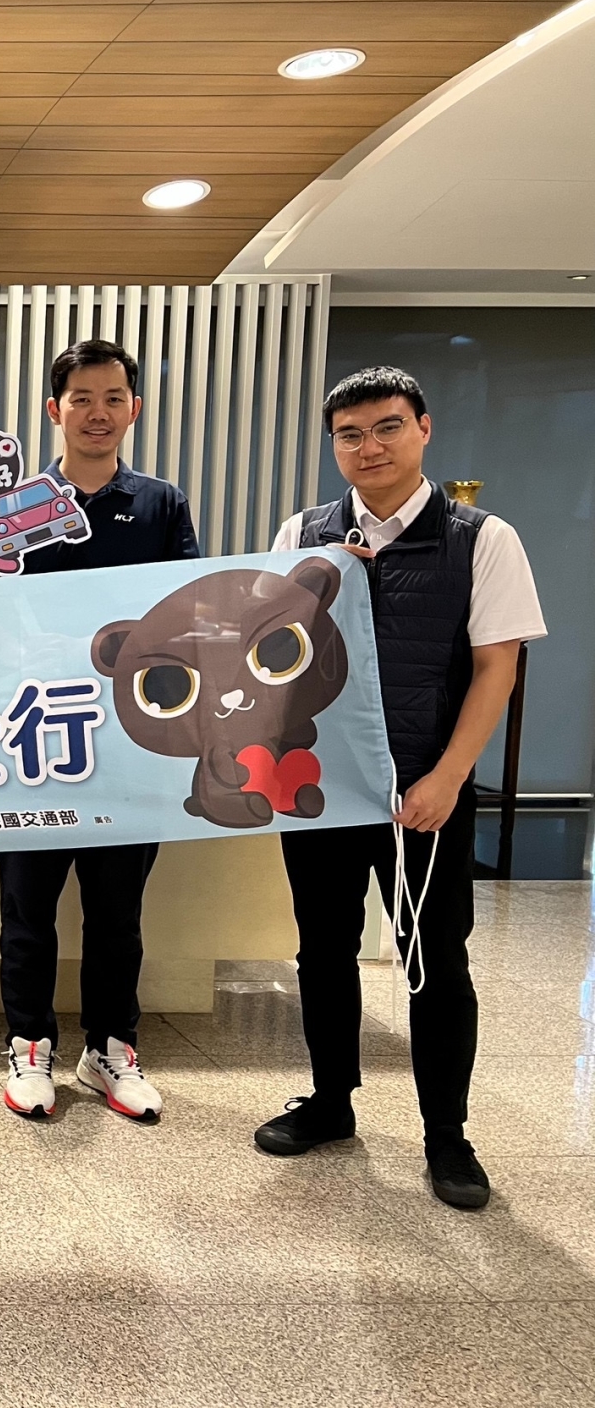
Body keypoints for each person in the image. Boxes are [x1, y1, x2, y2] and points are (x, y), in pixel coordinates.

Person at [256, 366, 544, 1210]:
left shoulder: (481, 538)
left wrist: (448, 777)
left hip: (428, 792)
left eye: (386, 427)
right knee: (322, 949)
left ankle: (446, 1134)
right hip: (324, 786)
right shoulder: (304, 533)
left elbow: (497, 668)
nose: (369, 447)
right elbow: (269, 650)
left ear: (423, 428)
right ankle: (330, 1101)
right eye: (349, 435)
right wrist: (316, 587)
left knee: (435, 960)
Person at [0, 339, 202, 1124]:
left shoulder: (161, 505)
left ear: (134, 409)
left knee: (118, 913)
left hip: (128, 745)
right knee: (28, 909)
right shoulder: (14, 509)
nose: (98, 412)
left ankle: (110, 1048)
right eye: (81, 398)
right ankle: (29, 1046)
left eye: (113, 398)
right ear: (55, 410)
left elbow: (187, 613)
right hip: (32, 741)